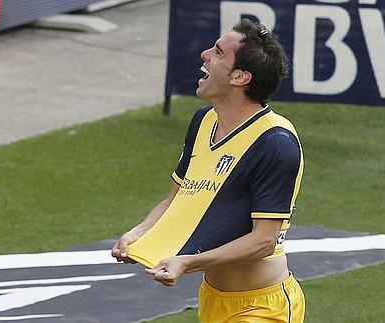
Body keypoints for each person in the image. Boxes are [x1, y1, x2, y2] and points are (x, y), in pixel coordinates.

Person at [111, 18, 305, 323]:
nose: (204, 54)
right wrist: (140, 233)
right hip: (214, 300)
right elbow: (178, 198)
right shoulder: (204, 121)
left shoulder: (275, 143)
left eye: (217, 52)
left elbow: (263, 240)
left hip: (261, 307)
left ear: (240, 77)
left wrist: (188, 262)